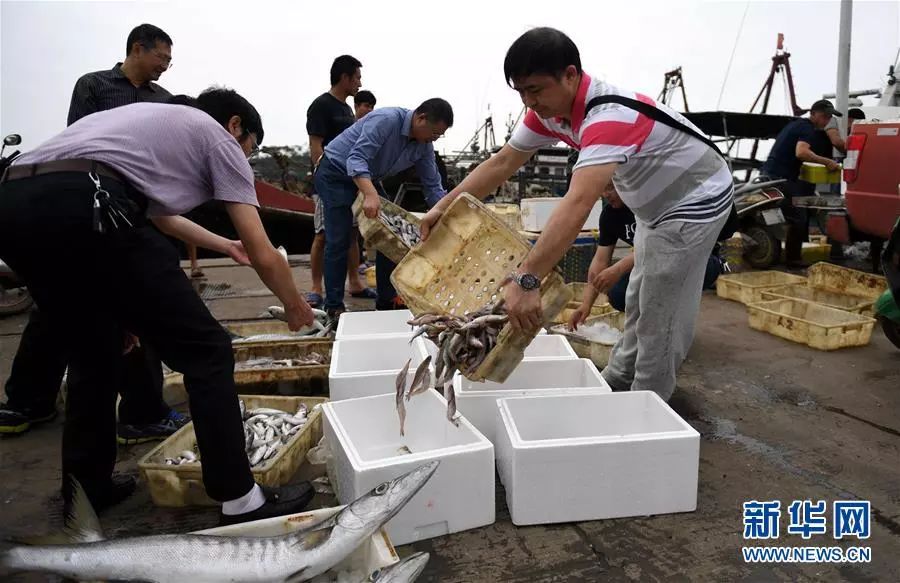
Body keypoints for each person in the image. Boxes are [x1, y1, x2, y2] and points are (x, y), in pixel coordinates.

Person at [0, 88, 316, 524]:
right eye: (251, 148)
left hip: (14, 202)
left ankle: (85, 494)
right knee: (208, 351)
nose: (246, 158)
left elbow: (155, 216)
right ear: (237, 125)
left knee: (95, 353)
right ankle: (241, 499)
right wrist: (295, 306)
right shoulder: (217, 136)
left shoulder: (142, 125)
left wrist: (223, 245)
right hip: (87, 199)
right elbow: (266, 253)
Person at [420, 27, 733, 402]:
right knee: (637, 296)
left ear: (570, 75)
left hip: (695, 200)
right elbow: (502, 162)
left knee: (660, 309)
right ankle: (617, 379)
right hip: (654, 206)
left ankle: (648, 403)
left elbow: (579, 201)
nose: (529, 102)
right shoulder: (548, 114)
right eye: (520, 92)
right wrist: (443, 207)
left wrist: (527, 278)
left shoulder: (608, 115)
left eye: (535, 90)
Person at [0, 24, 190, 442]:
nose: (166, 66)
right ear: (137, 49)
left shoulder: (163, 100)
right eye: (162, 57)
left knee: (135, 307)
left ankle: (142, 409)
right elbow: (78, 142)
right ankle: (28, 401)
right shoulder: (95, 86)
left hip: (137, 209)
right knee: (54, 305)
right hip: (86, 205)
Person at [317, 98, 453, 316]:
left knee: (392, 234)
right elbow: (356, 158)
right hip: (335, 170)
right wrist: (370, 194)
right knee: (339, 237)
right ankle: (333, 306)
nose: (433, 139)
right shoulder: (386, 120)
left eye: (438, 136)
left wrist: (446, 214)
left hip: (369, 175)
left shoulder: (424, 145)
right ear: (421, 118)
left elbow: (433, 186)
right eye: (434, 133)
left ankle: (387, 300)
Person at [570, 184, 725, 326]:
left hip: (697, 260)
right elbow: (600, 260)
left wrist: (617, 269)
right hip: (654, 265)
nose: (606, 194)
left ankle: (669, 328)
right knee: (618, 293)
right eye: (602, 189)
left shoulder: (653, 203)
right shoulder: (609, 215)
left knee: (661, 283)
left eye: (610, 188)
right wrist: (586, 305)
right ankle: (655, 327)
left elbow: (661, 245)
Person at [305, 55, 374, 308]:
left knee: (352, 233)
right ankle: (316, 287)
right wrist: (321, 181)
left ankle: (354, 281)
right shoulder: (321, 106)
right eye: (356, 77)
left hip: (349, 182)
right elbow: (316, 146)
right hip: (329, 183)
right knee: (325, 235)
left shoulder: (347, 109)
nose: (359, 82)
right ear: (344, 78)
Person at [759, 99, 841, 265]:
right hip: (779, 177)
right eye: (824, 116)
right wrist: (827, 162)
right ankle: (793, 259)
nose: (826, 121)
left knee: (792, 214)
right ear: (813, 114)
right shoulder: (807, 128)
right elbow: (801, 152)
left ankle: (786, 253)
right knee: (798, 216)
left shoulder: (796, 124)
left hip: (771, 174)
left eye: (829, 117)